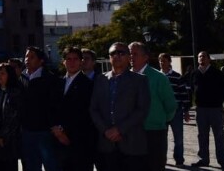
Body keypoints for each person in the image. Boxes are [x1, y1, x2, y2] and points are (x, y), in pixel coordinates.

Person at [89, 42, 150, 171]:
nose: (117, 56)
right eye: (113, 53)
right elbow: (93, 109)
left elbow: (142, 110)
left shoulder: (140, 80)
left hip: (132, 144)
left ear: (129, 57)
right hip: (106, 144)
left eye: (121, 53)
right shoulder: (100, 79)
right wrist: (106, 131)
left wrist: (119, 130)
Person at [129, 41, 176, 171]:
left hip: (154, 133)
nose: (131, 57)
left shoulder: (158, 78)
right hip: (131, 133)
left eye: (135, 54)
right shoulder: (125, 77)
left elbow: (171, 106)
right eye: (130, 54)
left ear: (145, 57)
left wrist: (158, 120)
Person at [19, 46, 62, 171]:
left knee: (51, 165)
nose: (27, 59)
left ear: (41, 60)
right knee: (31, 165)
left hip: (45, 131)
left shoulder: (50, 79)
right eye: (26, 56)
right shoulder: (22, 78)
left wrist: (53, 126)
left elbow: (54, 105)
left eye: (32, 57)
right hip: (27, 131)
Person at [54, 47, 95, 171]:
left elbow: (85, 114)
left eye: (75, 59)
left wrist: (65, 133)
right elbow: (51, 108)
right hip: (58, 141)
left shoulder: (88, 84)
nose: (72, 62)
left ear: (81, 61)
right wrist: (56, 129)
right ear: (63, 62)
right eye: (68, 59)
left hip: (79, 143)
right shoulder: (57, 83)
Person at [191, 51, 224, 170]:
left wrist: (218, 101)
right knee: (202, 135)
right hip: (201, 109)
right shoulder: (194, 73)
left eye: (203, 56)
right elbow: (190, 89)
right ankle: (204, 159)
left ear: (209, 59)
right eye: (199, 57)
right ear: (197, 59)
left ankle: (223, 161)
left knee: (219, 135)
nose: (201, 58)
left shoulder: (217, 73)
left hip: (215, 109)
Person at [158, 52, 191, 166]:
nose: (162, 63)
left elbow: (184, 93)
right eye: (160, 61)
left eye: (164, 61)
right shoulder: (157, 76)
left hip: (176, 111)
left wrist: (186, 110)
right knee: (162, 138)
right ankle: (162, 160)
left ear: (169, 62)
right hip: (161, 112)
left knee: (178, 138)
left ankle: (179, 159)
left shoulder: (177, 76)